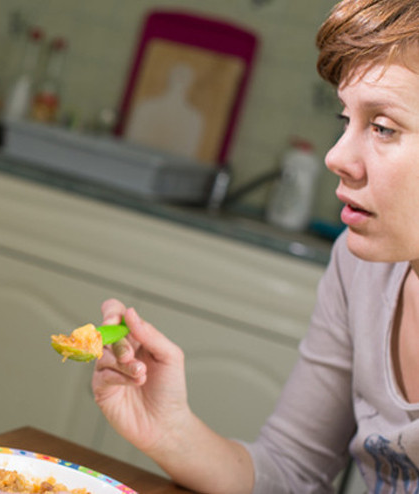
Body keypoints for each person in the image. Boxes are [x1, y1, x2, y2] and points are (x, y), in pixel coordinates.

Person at [91, 0, 419, 492]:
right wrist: (169, 431)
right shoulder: (359, 270)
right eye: (345, 119)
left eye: (383, 127)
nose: (336, 156)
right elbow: (290, 471)